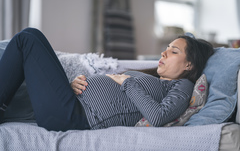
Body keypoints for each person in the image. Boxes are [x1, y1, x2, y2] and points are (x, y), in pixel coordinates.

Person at [0, 28, 214, 131]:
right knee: (32, 37)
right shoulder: (157, 80)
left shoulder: (183, 86)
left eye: (173, 51)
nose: (163, 54)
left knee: (27, 39)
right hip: (70, 103)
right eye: (165, 49)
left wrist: (126, 82)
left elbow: (158, 117)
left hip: (73, 116)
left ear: (189, 65)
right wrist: (71, 85)